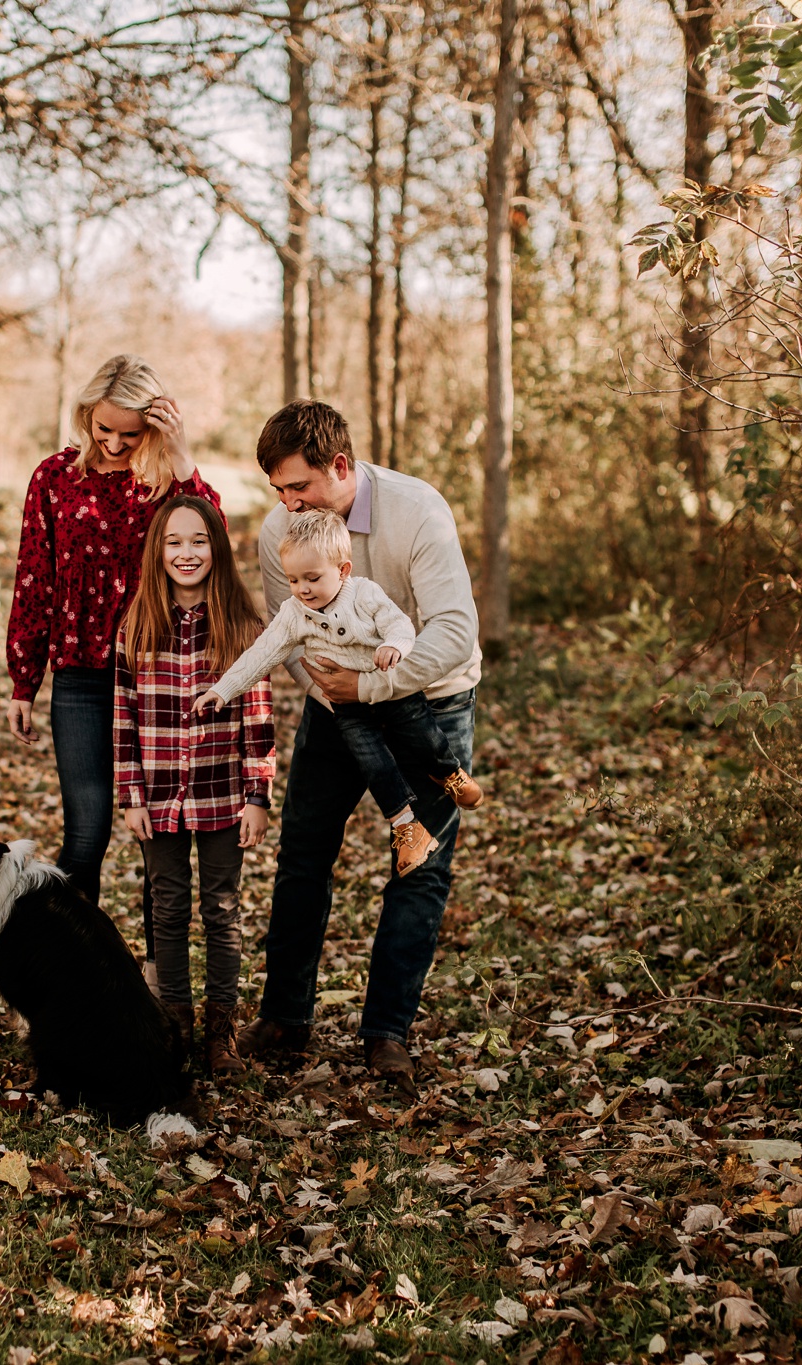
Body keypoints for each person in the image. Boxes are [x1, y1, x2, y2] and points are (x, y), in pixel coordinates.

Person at [236, 400, 482, 1085]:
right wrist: (333, 694)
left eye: (300, 486)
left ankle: (386, 1033)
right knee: (303, 855)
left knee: (419, 866)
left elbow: (453, 631)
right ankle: (285, 1016)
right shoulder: (278, 531)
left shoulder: (417, 511)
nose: (287, 503)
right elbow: (286, 635)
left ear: (340, 467)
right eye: (278, 490)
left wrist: (370, 690)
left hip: (431, 705)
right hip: (333, 707)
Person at [4, 355, 220, 913]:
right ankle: (77, 974)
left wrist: (181, 456)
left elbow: (212, 537)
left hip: (155, 676)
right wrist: (23, 682)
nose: (117, 444)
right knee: (87, 832)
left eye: (132, 432)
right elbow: (34, 577)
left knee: (160, 840)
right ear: (86, 417)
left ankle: (157, 976)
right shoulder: (54, 477)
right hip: (78, 677)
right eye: (105, 430)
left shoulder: (168, 485)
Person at [196, 508, 481, 876]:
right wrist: (224, 689)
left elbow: (401, 624)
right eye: (293, 579)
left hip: (389, 690)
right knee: (376, 765)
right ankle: (407, 829)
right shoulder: (295, 611)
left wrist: (394, 645)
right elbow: (263, 652)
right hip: (348, 706)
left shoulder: (364, 594)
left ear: (343, 570)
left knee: (424, 738)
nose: (302, 589)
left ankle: (450, 772)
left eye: (312, 578)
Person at [112, 496, 274, 1075]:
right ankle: (176, 1026)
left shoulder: (242, 625)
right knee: (169, 905)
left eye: (198, 541)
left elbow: (258, 715)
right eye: (174, 542)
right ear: (157, 550)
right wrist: (130, 795)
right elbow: (123, 716)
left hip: (224, 792)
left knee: (222, 909)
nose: (186, 553)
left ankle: (220, 1034)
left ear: (217, 549)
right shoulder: (137, 625)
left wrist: (258, 794)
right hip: (155, 796)